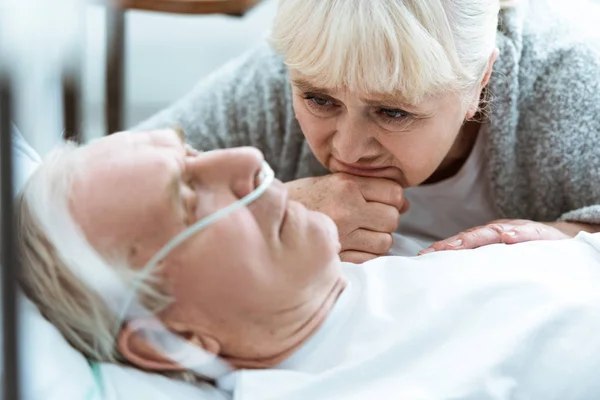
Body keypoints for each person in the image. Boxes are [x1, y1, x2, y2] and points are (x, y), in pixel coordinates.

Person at [17, 130, 600, 398]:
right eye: (189, 198)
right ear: (164, 339)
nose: (247, 159)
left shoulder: (398, 266)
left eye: (193, 151)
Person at [133, 0, 600, 263]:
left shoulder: (573, 84)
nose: (347, 148)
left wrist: (567, 242)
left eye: (393, 112)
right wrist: (266, 215)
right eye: (319, 101)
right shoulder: (281, 77)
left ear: (480, 81)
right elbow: (84, 195)